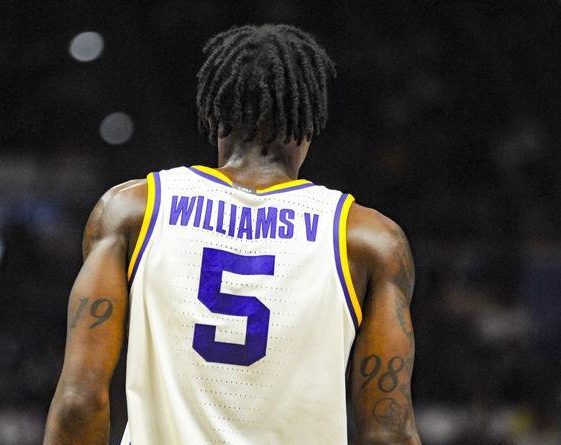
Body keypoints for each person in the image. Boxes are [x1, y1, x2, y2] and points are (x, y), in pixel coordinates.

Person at [44, 24, 421, 444]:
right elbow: (388, 430)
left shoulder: (132, 211)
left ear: (214, 116)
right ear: (308, 125)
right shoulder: (368, 239)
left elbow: (80, 402)